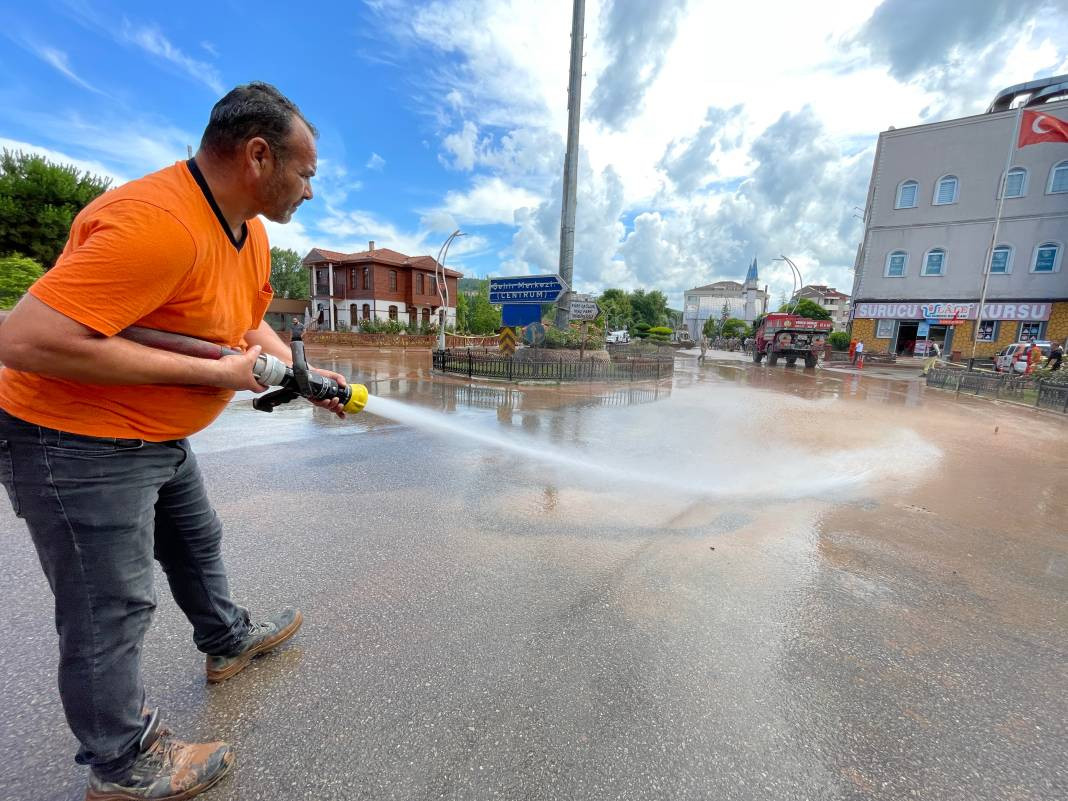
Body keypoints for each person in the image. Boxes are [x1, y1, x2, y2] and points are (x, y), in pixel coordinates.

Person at [0, 83, 347, 800]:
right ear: (258, 155)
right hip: (73, 436)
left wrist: (301, 372)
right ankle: (122, 764)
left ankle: (226, 640)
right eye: (306, 172)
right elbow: (27, 340)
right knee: (110, 606)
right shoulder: (155, 222)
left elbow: (246, 324)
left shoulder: (247, 231)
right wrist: (214, 371)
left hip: (154, 431)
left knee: (195, 539)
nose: (310, 189)